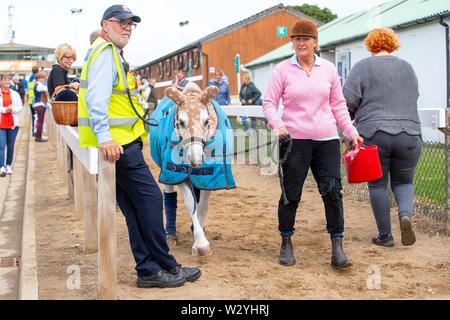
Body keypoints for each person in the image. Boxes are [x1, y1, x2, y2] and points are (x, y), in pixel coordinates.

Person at [77, 5, 201, 288]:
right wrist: (106, 137)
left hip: (120, 144)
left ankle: (148, 269)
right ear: (106, 25)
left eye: (131, 23)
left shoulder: (108, 54)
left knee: (133, 208)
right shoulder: (104, 54)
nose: (128, 27)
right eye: (122, 22)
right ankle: (166, 266)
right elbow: (97, 101)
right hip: (118, 146)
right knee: (151, 200)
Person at [263, 19, 362, 269]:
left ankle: (337, 245)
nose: (301, 43)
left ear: (315, 42)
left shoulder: (328, 69)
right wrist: (277, 124)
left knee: (331, 191)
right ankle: (286, 241)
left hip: (326, 140)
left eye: (306, 39)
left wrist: (351, 131)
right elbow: (269, 103)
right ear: (292, 43)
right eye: (297, 39)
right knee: (290, 194)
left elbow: (338, 105)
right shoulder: (282, 70)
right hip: (293, 140)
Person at [343, 28, 421, 247]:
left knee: (377, 185)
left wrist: (348, 129)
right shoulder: (407, 67)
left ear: (370, 45)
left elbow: (347, 102)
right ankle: (405, 214)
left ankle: (385, 236)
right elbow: (413, 96)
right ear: (393, 43)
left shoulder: (362, 67)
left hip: (374, 133)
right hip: (410, 133)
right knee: (404, 181)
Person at [0, 74, 23, 176]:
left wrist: (12, 109)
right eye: (5, 80)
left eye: (9, 80)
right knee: (1, 146)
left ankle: (8, 165)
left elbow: (20, 107)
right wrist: (5, 109)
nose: (7, 82)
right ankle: (1, 167)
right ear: (1, 82)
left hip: (13, 124)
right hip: (1, 124)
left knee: (10, 146)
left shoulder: (15, 94)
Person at [33, 72, 50, 142]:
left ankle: (38, 136)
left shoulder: (38, 85)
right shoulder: (38, 85)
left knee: (40, 121)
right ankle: (39, 137)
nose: (43, 79)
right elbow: (46, 89)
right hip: (39, 105)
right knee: (40, 122)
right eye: (42, 78)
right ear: (38, 79)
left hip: (39, 105)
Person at [27, 66, 39, 136]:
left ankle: (33, 131)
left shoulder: (30, 78)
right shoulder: (36, 79)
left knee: (33, 117)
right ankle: (35, 131)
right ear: (37, 71)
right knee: (37, 117)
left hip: (31, 101)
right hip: (35, 101)